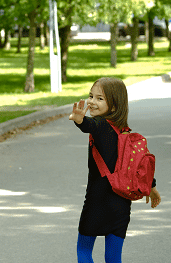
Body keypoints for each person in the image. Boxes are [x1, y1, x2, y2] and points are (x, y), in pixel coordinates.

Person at [69, 77, 161, 263]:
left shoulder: (102, 126)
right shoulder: (125, 133)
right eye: (91, 96)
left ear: (113, 106)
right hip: (121, 204)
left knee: (84, 251)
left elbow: (90, 125)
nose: (92, 102)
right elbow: (138, 164)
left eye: (99, 98)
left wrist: (80, 121)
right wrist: (151, 187)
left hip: (96, 201)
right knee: (113, 258)